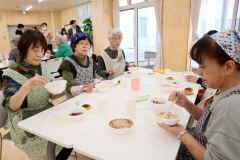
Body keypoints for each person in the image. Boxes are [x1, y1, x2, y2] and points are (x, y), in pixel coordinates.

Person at [159, 29, 240, 160]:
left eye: (203, 67)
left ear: (229, 67)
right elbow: (210, 120)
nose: (199, 73)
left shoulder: (231, 105)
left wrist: (182, 133)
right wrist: (187, 104)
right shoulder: (226, 91)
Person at [2, 30, 72, 160]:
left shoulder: (43, 68)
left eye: (42, 50)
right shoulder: (10, 73)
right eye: (35, 50)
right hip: (24, 120)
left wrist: (54, 90)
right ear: (23, 49)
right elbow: (11, 106)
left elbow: (50, 97)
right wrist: (27, 86)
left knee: (70, 133)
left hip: (45, 112)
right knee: (50, 143)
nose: (39, 55)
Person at [58, 32, 96, 99]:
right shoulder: (67, 63)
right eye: (81, 43)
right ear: (74, 45)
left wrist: (99, 83)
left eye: (87, 44)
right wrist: (82, 89)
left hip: (90, 97)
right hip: (75, 101)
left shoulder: (90, 60)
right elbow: (69, 88)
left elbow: (94, 79)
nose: (85, 46)